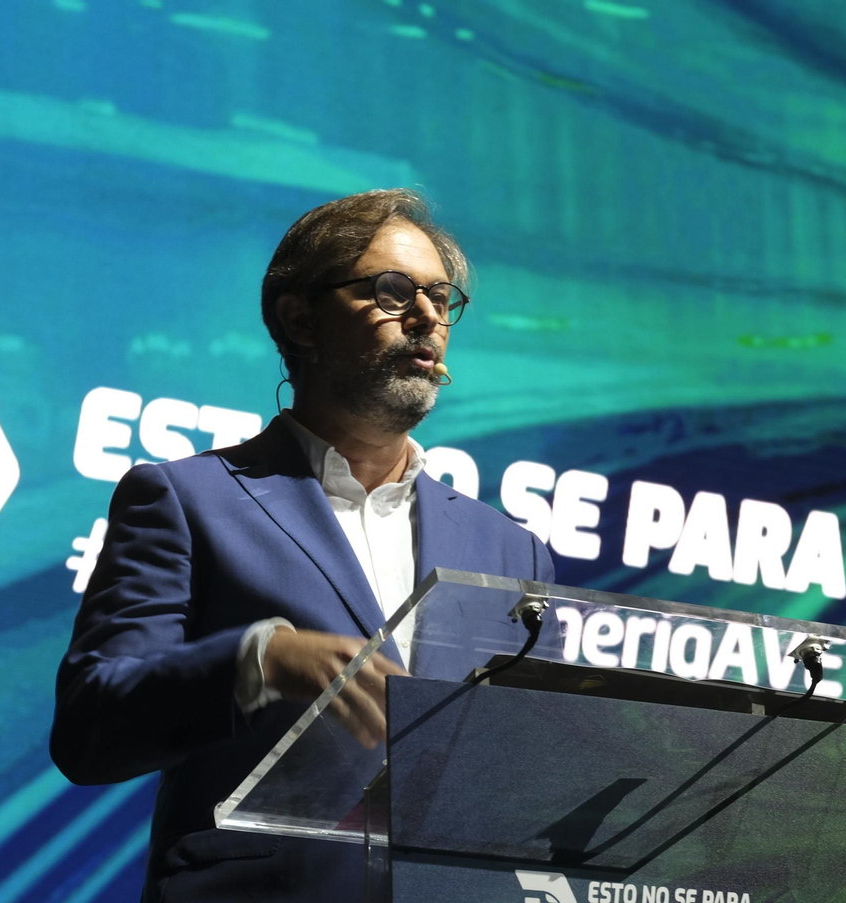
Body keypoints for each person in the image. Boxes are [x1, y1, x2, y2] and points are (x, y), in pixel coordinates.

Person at [50, 189, 555, 902]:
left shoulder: (513, 552)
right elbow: (90, 730)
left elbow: (539, 774)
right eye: (392, 291)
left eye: (442, 299)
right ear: (299, 318)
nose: (427, 319)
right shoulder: (186, 500)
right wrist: (261, 658)